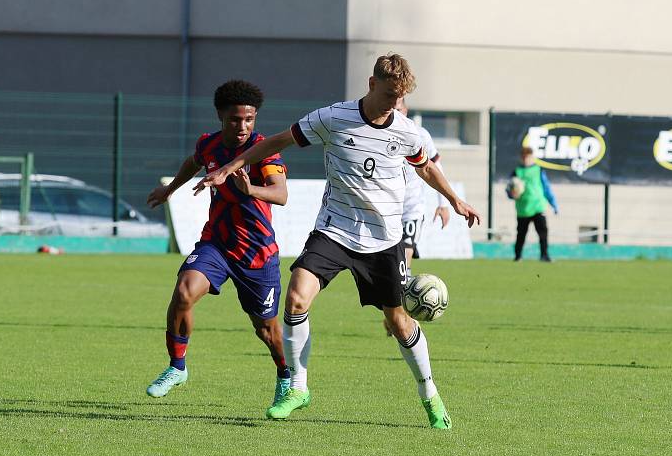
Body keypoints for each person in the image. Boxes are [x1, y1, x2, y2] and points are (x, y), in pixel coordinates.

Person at [194, 54, 481, 429]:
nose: (394, 104)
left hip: (384, 239)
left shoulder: (408, 132)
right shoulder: (332, 117)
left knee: (398, 321)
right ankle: (298, 387)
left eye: (400, 98)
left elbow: (425, 166)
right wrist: (231, 167)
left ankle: (430, 394)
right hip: (335, 230)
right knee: (296, 296)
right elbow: (280, 140)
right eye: (389, 94)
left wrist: (455, 199)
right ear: (371, 83)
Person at [144, 80, 291, 406]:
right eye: (235, 119)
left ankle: (285, 376)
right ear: (220, 116)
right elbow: (193, 161)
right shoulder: (209, 144)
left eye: (249, 119)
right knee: (183, 292)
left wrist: (249, 190)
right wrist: (170, 190)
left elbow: (280, 194)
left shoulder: (264, 150)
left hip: (257, 253)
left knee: (267, 330)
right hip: (217, 244)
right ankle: (177, 366)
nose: (242, 126)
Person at [396, 99, 451, 276]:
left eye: (398, 108)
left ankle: (405, 283)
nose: (396, 113)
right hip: (386, 206)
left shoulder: (420, 134)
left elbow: (434, 166)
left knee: (406, 248)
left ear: (405, 109)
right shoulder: (378, 134)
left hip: (412, 206)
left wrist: (443, 203)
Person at [507, 146, 558, 262]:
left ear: (532, 157)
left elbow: (546, 188)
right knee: (521, 234)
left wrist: (553, 203)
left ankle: (544, 255)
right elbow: (509, 189)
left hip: (538, 207)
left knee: (543, 232)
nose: (526, 159)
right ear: (521, 158)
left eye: (528, 157)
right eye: (524, 157)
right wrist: (511, 194)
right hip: (523, 209)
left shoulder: (538, 170)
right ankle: (518, 256)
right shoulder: (517, 172)